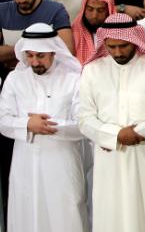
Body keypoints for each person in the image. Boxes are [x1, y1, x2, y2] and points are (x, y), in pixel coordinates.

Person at [78, 13, 145, 232]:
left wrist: (135, 133)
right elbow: (84, 118)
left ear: (135, 40)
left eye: (123, 45)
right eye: (111, 46)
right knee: (110, 213)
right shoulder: (92, 70)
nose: (117, 52)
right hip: (108, 160)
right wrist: (115, 135)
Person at [0, 23, 86, 232]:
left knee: (66, 212)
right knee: (26, 213)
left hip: (63, 162)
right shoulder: (15, 79)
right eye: (29, 56)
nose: (34, 62)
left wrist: (49, 126)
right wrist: (28, 124)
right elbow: (2, 120)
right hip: (25, 162)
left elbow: (83, 123)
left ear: (53, 52)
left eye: (40, 56)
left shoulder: (73, 79)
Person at [0, 0, 74, 68]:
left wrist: (13, 52)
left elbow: (67, 53)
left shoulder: (56, 11)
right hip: (9, 77)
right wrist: (41, 49)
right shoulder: (2, 11)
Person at [72, 0, 116, 64]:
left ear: (109, 11)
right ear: (84, 9)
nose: (94, 15)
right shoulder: (73, 31)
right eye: (90, 9)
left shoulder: (118, 33)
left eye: (101, 10)